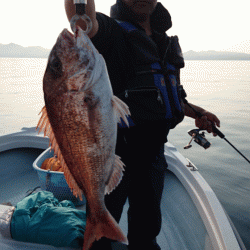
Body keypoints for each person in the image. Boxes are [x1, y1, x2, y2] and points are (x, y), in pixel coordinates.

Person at [64, 1, 221, 249]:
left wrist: (199, 113)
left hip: (153, 156)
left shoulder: (162, 40)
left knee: (146, 233)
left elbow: (169, 94)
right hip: (113, 154)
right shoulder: (111, 33)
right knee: (100, 238)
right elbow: (83, 21)